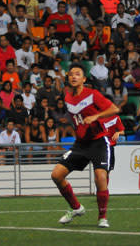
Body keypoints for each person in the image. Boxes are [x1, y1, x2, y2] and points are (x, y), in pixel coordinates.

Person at [50, 63, 120, 228]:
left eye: (77, 74)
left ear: (84, 79)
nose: (73, 76)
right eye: (71, 74)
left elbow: (114, 109)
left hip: (99, 142)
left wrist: (96, 117)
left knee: (101, 178)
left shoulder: (93, 94)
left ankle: (102, 217)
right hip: (80, 144)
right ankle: (76, 208)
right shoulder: (67, 97)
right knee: (56, 175)